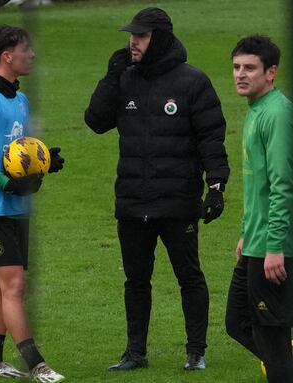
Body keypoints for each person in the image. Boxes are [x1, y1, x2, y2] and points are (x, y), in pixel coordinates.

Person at [84, 7, 229, 371]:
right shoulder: (125, 78)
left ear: (160, 39)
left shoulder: (193, 82)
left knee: (189, 276)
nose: (132, 41)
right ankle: (135, 353)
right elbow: (95, 121)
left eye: (141, 36)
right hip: (132, 203)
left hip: (178, 203)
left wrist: (216, 185)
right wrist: (111, 77)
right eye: (131, 35)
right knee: (136, 280)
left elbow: (211, 136)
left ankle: (196, 351)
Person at [0, 25, 64, 382]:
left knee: (1, 287)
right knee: (15, 287)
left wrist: (45, 160)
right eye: (26, 49)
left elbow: (17, 151)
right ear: (7, 55)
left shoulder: (19, 99)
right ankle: (38, 365)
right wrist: (8, 184)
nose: (32, 55)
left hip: (16, 208)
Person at [225, 35, 293, 383]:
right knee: (236, 322)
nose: (241, 74)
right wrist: (246, 232)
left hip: (271, 248)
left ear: (271, 72)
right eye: (237, 67)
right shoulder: (256, 109)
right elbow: (258, 187)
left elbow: (283, 185)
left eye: (250, 68)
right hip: (254, 241)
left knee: (272, 339)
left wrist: (275, 246)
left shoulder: (277, 114)